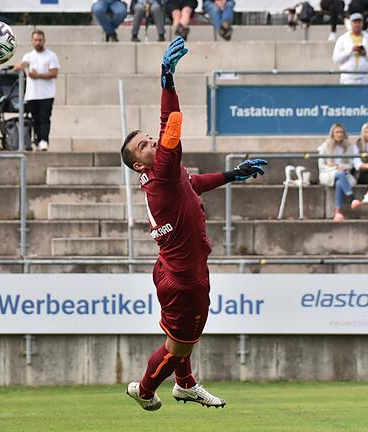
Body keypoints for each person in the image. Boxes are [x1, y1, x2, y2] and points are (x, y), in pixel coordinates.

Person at [121, 36, 266, 411]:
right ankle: (146, 390)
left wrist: (232, 174)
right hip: (185, 279)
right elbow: (170, 123)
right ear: (140, 165)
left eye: (150, 140)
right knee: (179, 345)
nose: (153, 143)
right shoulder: (163, 171)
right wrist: (167, 82)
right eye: (144, 145)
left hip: (172, 270)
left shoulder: (166, 178)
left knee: (181, 335)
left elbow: (194, 184)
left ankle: (185, 384)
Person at [12, 30, 59, 152]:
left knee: (45, 118)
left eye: (40, 40)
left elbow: (54, 73)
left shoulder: (51, 56)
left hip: (46, 94)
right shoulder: (29, 56)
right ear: (32, 41)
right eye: (36, 40)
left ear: (44, 41)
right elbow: (23, 64)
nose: (38, 42)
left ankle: (44, 140)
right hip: (32, 94)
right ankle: (38, 140)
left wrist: (38, 76)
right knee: (35, 119)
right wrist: (18, 67)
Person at [318, 123, 363, 222]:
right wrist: (334, 167)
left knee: (339, 183)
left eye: (341, 132)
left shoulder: (349, 147)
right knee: (339, 174)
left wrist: (342, 167)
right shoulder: (325, 147)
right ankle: (352, 198)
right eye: (337, 132)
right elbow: (322, 166)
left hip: (345, 174)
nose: (339, 134)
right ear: (332, 134)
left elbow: (351, 164)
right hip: (327, 173)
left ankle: (337, 213)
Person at [332, 13, 368, 84]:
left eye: (359, 22)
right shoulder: (342, 39)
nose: (357, 24)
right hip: (347, 78)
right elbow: (336, 59)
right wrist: (350, 50)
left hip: (364, 78)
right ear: (351, 23)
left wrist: (365, 54)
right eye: (355, 22)